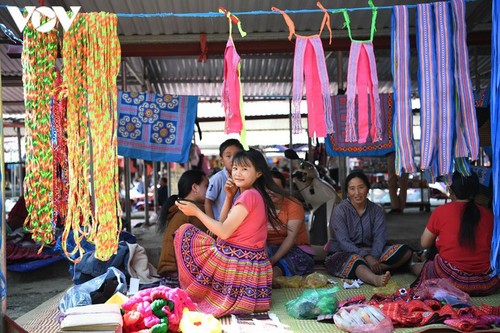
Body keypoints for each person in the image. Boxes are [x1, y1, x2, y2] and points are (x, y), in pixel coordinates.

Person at [174, 149, 289, 317]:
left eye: (244, 169)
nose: (238, 173)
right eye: (235, 168)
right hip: (251, 265)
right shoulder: (252, 194)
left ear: (258, 173)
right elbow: (222, 226)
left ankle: (203, 291)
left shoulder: (249, 195)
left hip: (239, 263)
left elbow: (223, 232)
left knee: (185, 232)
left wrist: (197, 212)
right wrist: (228, 197)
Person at [411, 171, 500, 296]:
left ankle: (411, 265)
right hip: (485, 281)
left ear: (451, 191)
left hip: (451, 280)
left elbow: (424, 243)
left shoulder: (441, 211)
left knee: (425, 266)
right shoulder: (489, 215)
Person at [325, 171, 413, 287]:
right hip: (345, 253)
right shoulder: (340, 210)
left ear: (367, 188)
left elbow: (380, 238)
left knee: (406, 251)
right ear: (347, 192)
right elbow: (344, 242)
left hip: (371, 251)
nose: (357, 193)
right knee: (356, 261)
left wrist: (374, 257)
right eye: (352, 189)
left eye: (361, 187)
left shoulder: (376, 210)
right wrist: (366, 257)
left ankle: (376, 268)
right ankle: (375, 278)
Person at [156, 170, 208, 282]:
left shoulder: (181, 210)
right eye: (206, 186)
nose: (209, 191)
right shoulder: (190, 213)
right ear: (195, 187)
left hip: (171, 273)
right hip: (177, 275)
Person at [267, 170, 315, 279]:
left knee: (288, 262)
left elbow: (291, 237)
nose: (271, 192)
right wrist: (264, 260)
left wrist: (273, 260)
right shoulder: (260, 204)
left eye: (276, 188)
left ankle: (272, 277)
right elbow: (260, 237)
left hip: (295, 248)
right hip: (269, 249)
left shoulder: (293, 205)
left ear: (283, 189)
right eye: (268, 187)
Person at [204, 138, 244, 220]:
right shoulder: (218, 178)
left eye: (237, 155)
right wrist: (212, 226)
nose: (233, 159)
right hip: (221, 225)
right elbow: (207, 203)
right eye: (228, 156)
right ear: (222, 160)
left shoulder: (245, 177)